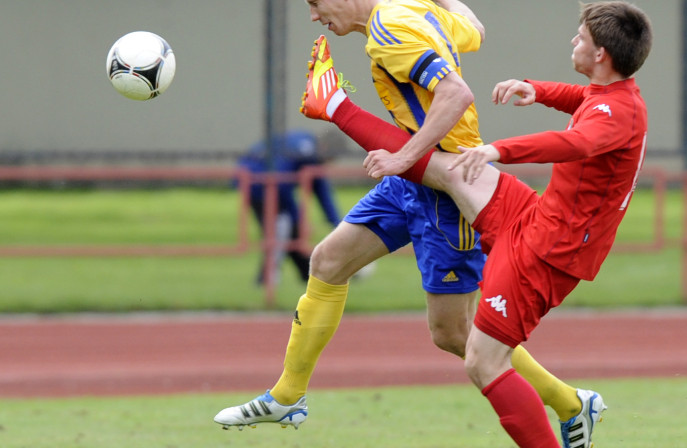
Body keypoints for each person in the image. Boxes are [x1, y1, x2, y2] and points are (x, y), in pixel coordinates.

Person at [215, 2, 606, 447]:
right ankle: (287, 397)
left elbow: (456, 93)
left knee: (454, 335)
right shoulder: (411, 9)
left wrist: (402, 156)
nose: (313, 14)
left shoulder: (388, 30)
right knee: (327, 261)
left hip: (447, 193)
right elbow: (474, 29)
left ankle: (570, 402)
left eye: (315, 3)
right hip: (412, 180)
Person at [237, 130, 341, 285]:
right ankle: (267, 281)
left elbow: (321, 191)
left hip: (264, 185)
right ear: (325, 147)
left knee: (290, 231)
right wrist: (298, 218)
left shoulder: (312, 154)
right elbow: (279, 182)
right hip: (257, 184)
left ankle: (311, 277)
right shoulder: (304, 148)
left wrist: (340, 229)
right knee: (281, 229)